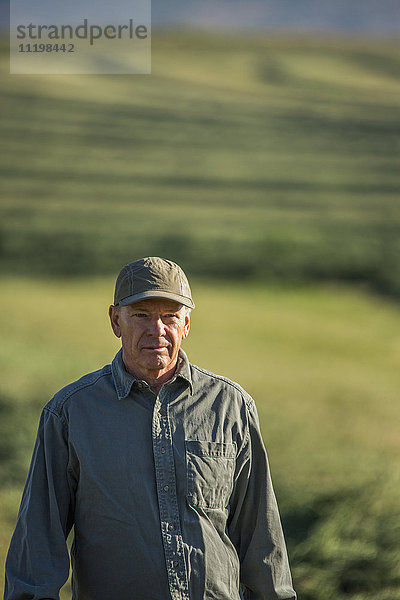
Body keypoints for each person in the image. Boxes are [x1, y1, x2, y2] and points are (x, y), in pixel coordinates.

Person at [4, 256, 296, 600]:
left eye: (169, 316)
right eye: (141, 315)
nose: (156, 330)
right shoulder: (70, 413)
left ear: (186, 324)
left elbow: (261, 539)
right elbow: (38, 542)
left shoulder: (231, 407)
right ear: (116, 320)